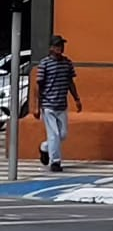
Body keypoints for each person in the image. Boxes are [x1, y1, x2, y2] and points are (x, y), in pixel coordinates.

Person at [33, 34, 81, 173]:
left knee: (63, 134)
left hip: (61, 105)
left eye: (61, 45)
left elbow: (70, 82)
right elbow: (38, 85)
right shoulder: (45, 64)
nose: (60, 48)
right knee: (53, 134)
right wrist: (37, 106)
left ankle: (44, 148)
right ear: (51, 48)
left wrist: (76, 99)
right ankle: (55, 162)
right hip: (48, 105)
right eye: (57, 46)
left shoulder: (67, 63)